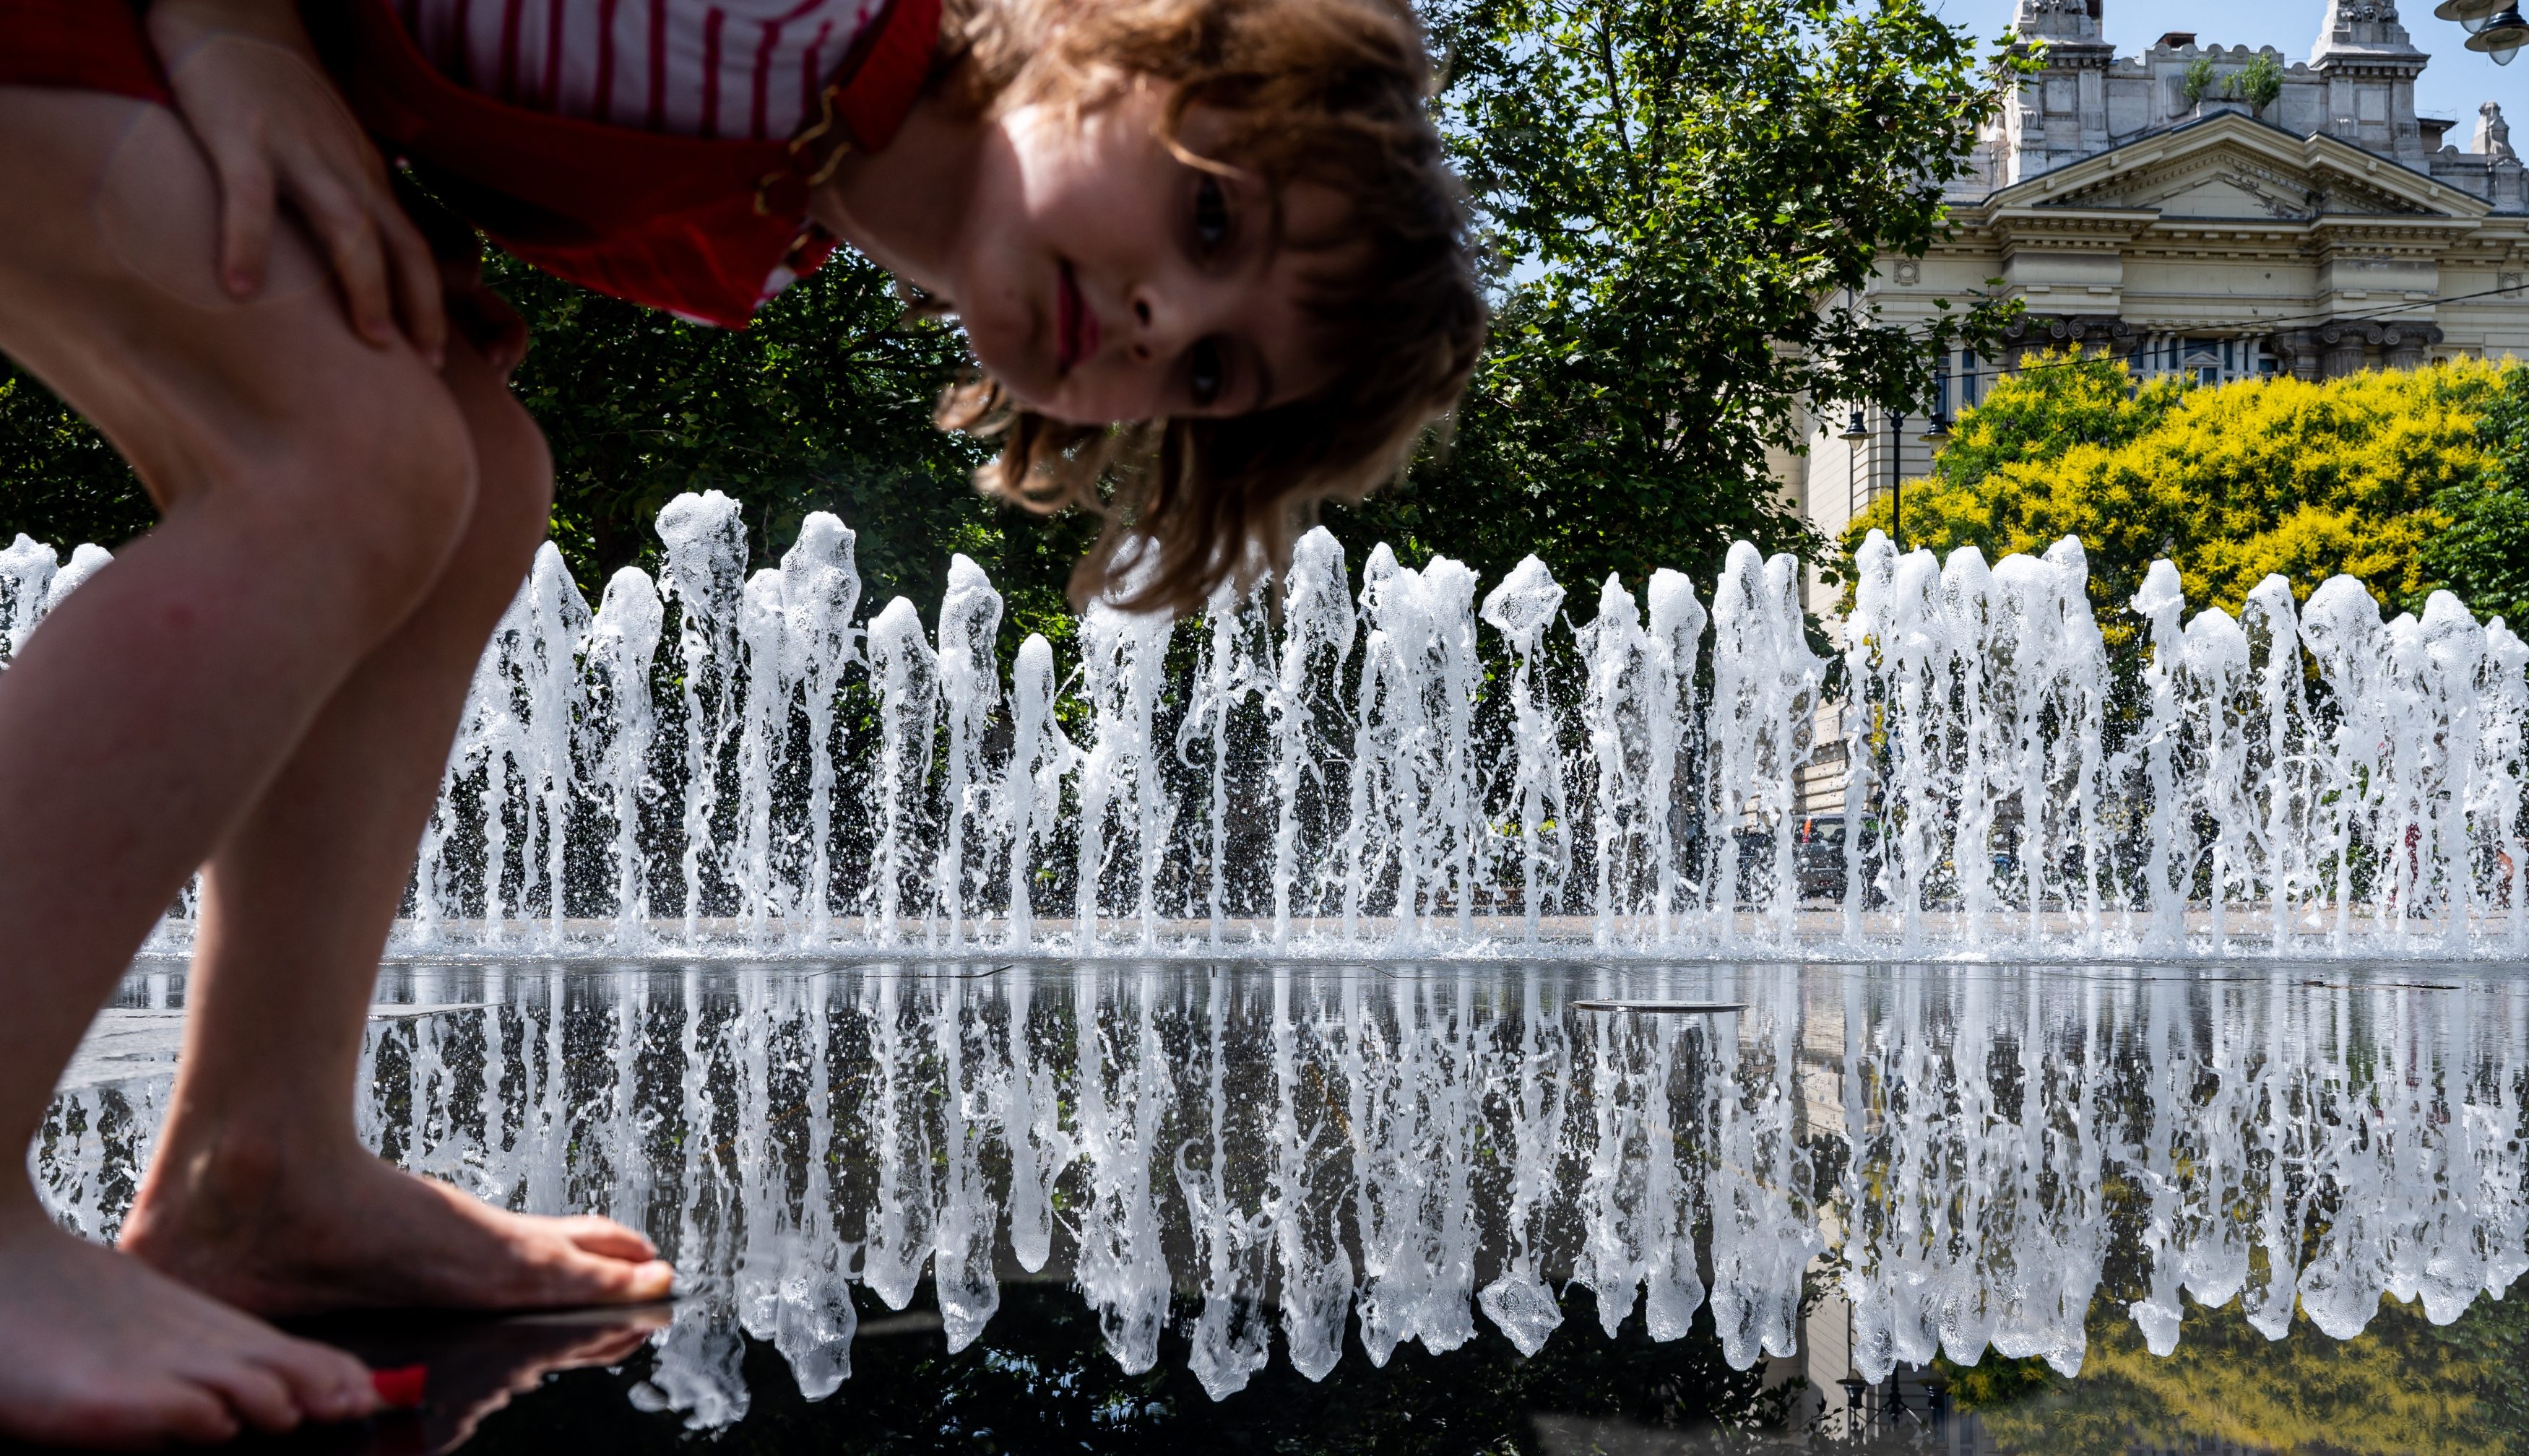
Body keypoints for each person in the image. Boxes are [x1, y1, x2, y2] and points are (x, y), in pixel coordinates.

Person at [0, 0, 1484, 1444]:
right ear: (1118, 31)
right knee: (361, 457)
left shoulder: (803, 184)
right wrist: (241, 42)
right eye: (1211, 222)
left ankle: (256, 1170)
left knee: (469, 478)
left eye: (1210, 373)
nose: (1165, 321)